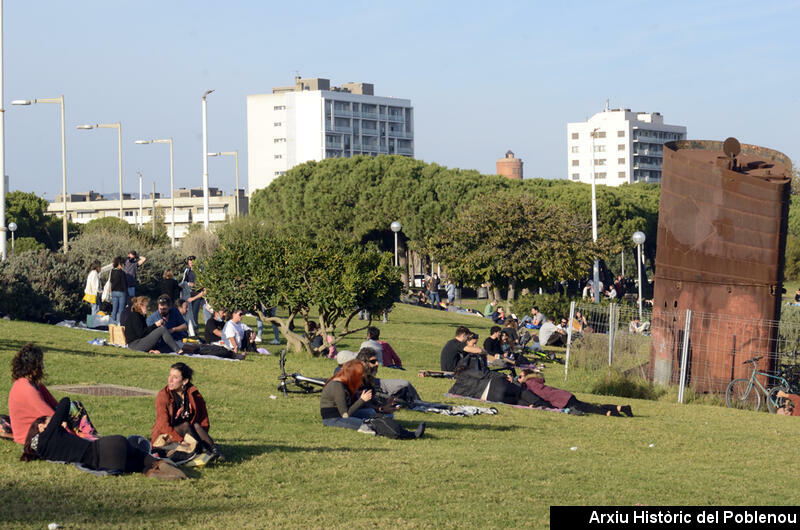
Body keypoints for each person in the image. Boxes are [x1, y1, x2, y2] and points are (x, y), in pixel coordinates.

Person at [21, 397, 186, 480]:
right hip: (107, 445)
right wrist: (58, 419)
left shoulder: (43, 451)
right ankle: (171, 469)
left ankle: (159, 474)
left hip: (105, 463)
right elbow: (66, 402)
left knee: (139, 467)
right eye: (48, 421)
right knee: (145, 458)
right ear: (41, 427)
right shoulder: (49, 432)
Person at [8, 343, 99, 445]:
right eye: (41, 363)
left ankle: (89, 437)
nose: (43, 367)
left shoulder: (33, 384)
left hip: (38, 429)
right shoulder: (27, 389)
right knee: (73, 409)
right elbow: (51, 416)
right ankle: (88, 441)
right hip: (29, 436)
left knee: (74, 406)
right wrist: (71, 436)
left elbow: (56, 406)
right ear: (34, 366)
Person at [151, 362, 222, 465]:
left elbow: (204, 419)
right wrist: (179, 440)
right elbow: (163, 425)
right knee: (185, 425)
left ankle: (213, 450)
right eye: (170, 375)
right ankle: (199, 451)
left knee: (196, 425)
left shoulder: (193, 394)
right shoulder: (164, 395)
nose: (170, 380)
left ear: (184, 381)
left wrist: (202, 435)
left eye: (175, 377)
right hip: (168, 435)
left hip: (189, 433)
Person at [518, 370, 633, 416]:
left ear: (526, 376)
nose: (518, 378)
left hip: (562, 400)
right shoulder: (534, 381)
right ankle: (621, 408)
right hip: (564, 396)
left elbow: (542, 396)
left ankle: (612, 413)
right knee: (589, 406)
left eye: (520, 376)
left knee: (589, 408)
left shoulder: (530, 384)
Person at [320, 359, 377, 433]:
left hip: (343, 415)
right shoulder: (337, 386)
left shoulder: (344, 383)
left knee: (370, 412)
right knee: (367, 424)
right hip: (334, 418)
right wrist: (362, 400)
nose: (361, 379)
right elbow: (345, 415)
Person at [181, 256, 201, 338]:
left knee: (195, 312)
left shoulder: (199, 270)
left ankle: (195, 330)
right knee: (188, 312)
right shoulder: (187, 270)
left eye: (192, 261)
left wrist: (196, 284)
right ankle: (188, 330)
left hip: (197, 293)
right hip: (189, 293)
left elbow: (202, 281)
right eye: (189, 261)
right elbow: (184, 281)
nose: (191, 263)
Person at [110, 256, 127, 325]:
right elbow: (124, 283)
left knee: (114, 309)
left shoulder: (112, 271)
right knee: (121, 310)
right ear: (120, 264)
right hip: (121, 292)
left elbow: (111, 281)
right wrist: (127, 293)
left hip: (114, 291)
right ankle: (119, 323)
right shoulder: (122, 273)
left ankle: (112, 322)